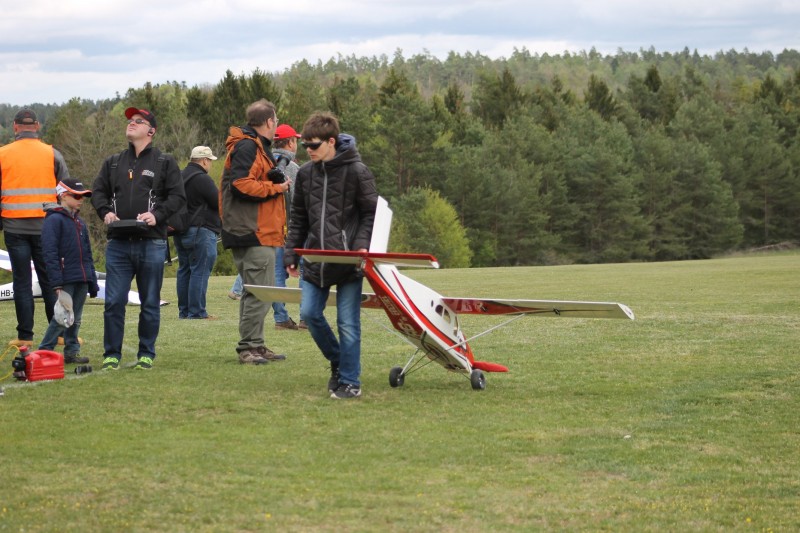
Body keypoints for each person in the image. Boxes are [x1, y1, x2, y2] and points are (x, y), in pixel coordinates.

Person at [285, 112, 378, 399]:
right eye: (305, 146)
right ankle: (339, 361)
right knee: (310, 314)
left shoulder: (358, 171)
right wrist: (291, 253)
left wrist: (361, 245)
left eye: (313, 145)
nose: (308, 151)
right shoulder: (305, 174)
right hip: (315, 260)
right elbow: (299, 217)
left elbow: (371, 214)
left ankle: (350, 381)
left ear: (331, 142)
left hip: (349, 262)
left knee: (348, 324)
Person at [90, 107, 185, 370]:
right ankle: (111, 354)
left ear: (151, 131)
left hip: (151, 243)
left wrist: (157, 215)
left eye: (138, 121)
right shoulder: (113, 162)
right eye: (130, 121)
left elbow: (178, 197)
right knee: (113, 302)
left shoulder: (165, 162)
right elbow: (97, 192)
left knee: (150, 302)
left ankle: (146, 353)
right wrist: (105, 212)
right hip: (118, 245)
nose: (131, 123)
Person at [219, 99, 290, 365]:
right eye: (276, 120)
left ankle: (256, 345)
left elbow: (248, 180)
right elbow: (240, 184)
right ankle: (248, 347)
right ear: (269, 121)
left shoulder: (254, 146)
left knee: (260, 291)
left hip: (257, 230)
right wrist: (276, 188)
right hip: (252, 230)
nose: (276, 125)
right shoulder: (248, 146)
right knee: (260, 292)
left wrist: (270, 180)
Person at [0, 108, 66, 348]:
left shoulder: (2, 154)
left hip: (14, 226)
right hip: (47, 228)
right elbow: (65, 191)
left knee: (22, 282)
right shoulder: (52, 154)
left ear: (15, 126)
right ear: (37, 126)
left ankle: (25, 336)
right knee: (51, 281)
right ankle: (58, 334)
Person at [38, 178, 99, 363]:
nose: (81, 200)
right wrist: (56, 282)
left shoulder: (80, 222)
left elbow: (87, 253)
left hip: (82, 277)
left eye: (82, 196)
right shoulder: (53, 220)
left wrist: (91, 279)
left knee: (76, 318)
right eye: (76, 196)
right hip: (65, 279)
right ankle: (43, 353)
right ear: (63, 196)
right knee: (62, 317)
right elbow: (49, 253)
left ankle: (71, 352)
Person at [174, 146, 221, 319]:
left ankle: (184, 311)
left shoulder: (179, 176)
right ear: (204, 161)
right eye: (210, 161)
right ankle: (197, 312)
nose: (210, 164)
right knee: (200, 270)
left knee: (184, 270)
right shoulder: (202, 179)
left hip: (180, 230)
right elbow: (218, 202)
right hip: (201, 231)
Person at [271, 124, 303, 330]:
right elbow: (299, 203)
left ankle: (280, 318)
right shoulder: (293, 168)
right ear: (290, 142)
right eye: (296, 140)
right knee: (306, 272)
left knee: (276, 274)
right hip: (290, 229)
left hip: (269, 229)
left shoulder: (264, 161)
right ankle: (306, 317)